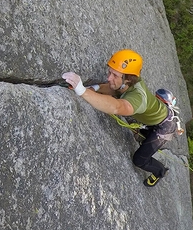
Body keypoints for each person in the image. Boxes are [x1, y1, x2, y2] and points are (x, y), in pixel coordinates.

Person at [62, 49, 176, 187]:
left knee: (139, 159)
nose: (109, 77)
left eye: (114, 75)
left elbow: (117, 107)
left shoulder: (138, 98)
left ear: (127, 79)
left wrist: (82, 91)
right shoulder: (128, 82)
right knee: (143, 137)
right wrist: (93, 88)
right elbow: (113, 88)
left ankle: (160, 171)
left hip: (163, 127)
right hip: (153, 119)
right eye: (109, 72)